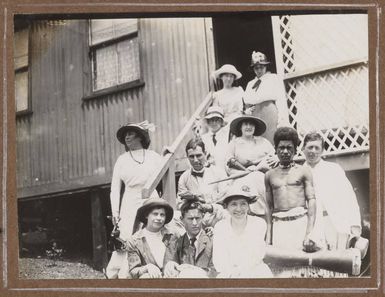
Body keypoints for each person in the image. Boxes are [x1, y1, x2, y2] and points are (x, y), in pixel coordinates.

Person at [105, 121, 162, 279]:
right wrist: (115, 212)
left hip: (151, 199)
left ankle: (153, 270)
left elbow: (165, 171)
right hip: (129, 202)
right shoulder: (122, 159)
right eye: (125, 135)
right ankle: (125, 274)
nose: (127, 137)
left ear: (140, 136)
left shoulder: (153, 156)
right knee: (128, 236)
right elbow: (115, 189)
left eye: (130, 134)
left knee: (151, 232)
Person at [302, 132, 362, 250]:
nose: (313, 151)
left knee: (338, 261)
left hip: (335, 222)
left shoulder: (334, 169)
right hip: (311, 225)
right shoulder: (299, 172)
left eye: (317, 148)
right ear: (303, 149)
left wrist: (354, 224)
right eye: (309, 147)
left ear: (322, 150)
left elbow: (349, 198)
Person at [264, 127, 317, 251]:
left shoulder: (304, 171)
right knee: (283, 266)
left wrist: (309, 233)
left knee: (303, 266)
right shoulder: (269, 175)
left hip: (300, 223)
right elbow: (269, 207)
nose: (285, 151)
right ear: (275, 150)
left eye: (289, 148)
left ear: (295, 150)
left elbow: (312, 201)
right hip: (279, 226)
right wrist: (269, 236)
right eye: (281, 148)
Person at [213, 184, 273, 278]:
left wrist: (241, 271)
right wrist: (232, 273)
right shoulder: (220, 227)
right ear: (226, 206)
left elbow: (257, 255)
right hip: (228, 273)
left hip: (255, 271)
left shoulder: (258, 224)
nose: (239, 209)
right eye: (233, 204)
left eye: (243, 204)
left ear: (248, 206)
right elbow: (219, 258)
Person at [225, 115, 277, 215]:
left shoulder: (264, 142)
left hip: (263, 175)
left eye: (251, 124)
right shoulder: (234, 143)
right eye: (245, 124)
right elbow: (228, 166)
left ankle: (266, 212)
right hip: (241, 177)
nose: (248, 127)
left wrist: (258, 167)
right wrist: (245, 172)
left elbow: (273, 157)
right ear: (240, 127)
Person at [176, 139, 229, 229]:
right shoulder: (184, 177)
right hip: (195, 217)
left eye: (199, 155)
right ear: (187, 157)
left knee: (227, 215)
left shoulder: (219, 173)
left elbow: (225, 201)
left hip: (215, 216)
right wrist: (193, 202)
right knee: (175, 217)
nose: (195, 160)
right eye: (191, 157)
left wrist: (209, 206)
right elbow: (180, 204)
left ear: (205, 153)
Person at [243, 51, 289, 143]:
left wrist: (282, 119)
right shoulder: (250, 84)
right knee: (257, 142)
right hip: (255, 116)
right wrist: (248, 111)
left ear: (266, 66)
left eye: (261, 67)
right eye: (256, 68)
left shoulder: (273, 78)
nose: (259, 70)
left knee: (271, 140)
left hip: (270, 114)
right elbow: (247, 103)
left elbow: (280, 99)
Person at [163, 200, 215, 278]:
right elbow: (168, 266)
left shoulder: (213, 240)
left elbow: (218, 270)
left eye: (197, 218)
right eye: (190, 219)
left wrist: (196, 271)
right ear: (182, 219)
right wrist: (170, 267)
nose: (194, 223)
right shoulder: (175, 242)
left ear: (203, 217)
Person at [126, 198, 174, 279]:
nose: (159, 218)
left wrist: (173, 264)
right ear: (146, 215)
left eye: (162, 215)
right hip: (151, 278)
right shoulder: (134, 241)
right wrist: (147, 268)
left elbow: (183, 259)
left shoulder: (173, 235)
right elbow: (133, 271)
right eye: (155, 214)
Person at [200, 106, 229, 171]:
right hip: (210, 173)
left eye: (217, 120)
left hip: (226, 172)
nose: (214, 123)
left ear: (221, 122)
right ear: (207, 122)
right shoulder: (203, 138)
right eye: (211, 120)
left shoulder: (228, 136)